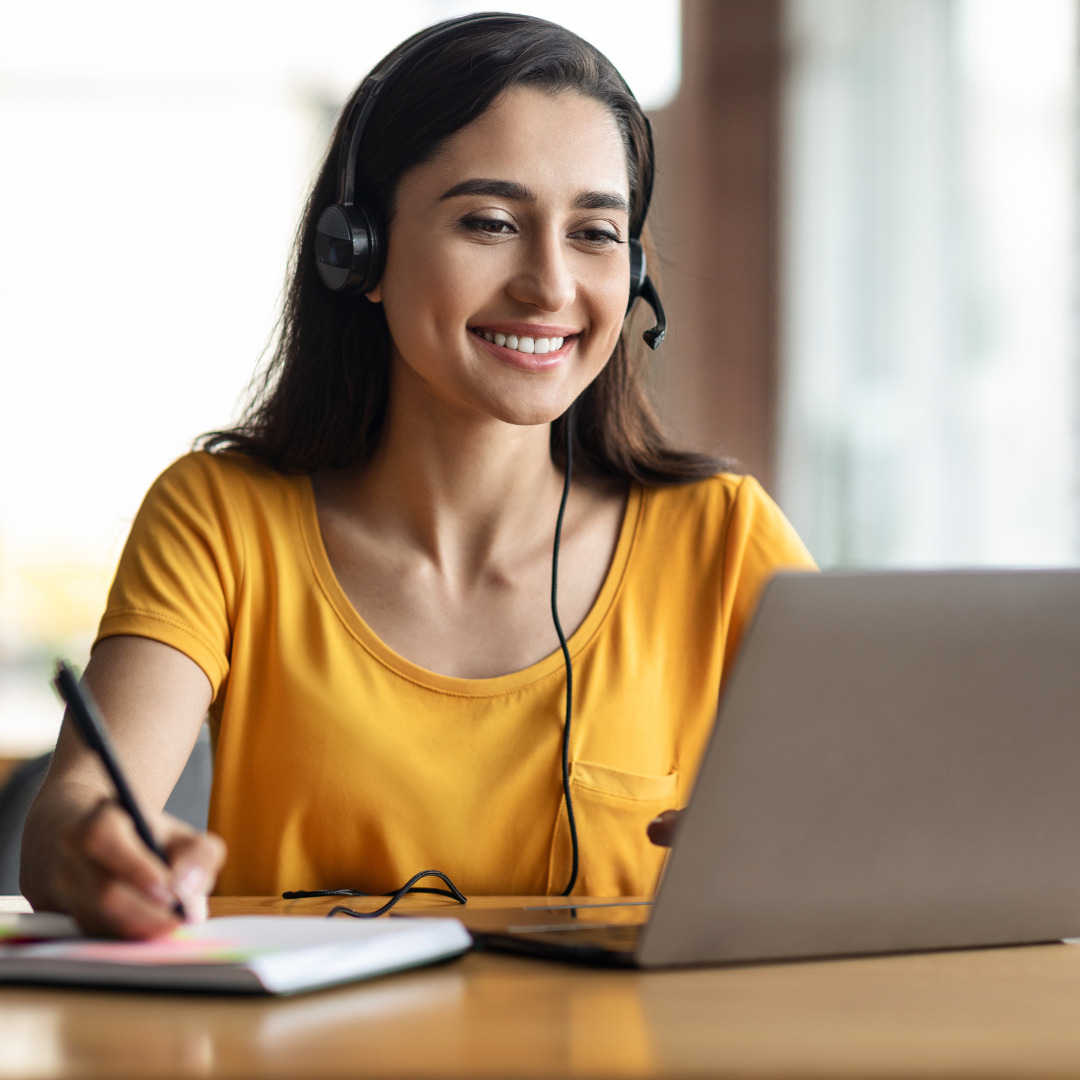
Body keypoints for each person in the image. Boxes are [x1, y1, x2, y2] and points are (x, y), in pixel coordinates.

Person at [21, 13, 815, 938]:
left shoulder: (720, 535)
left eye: (595, 232)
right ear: (356, 252)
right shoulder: (223, 517)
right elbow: (70, 813)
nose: (550, 285)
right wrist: (98, 847)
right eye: (489, 222)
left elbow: (880, 803)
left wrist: (830, 843)